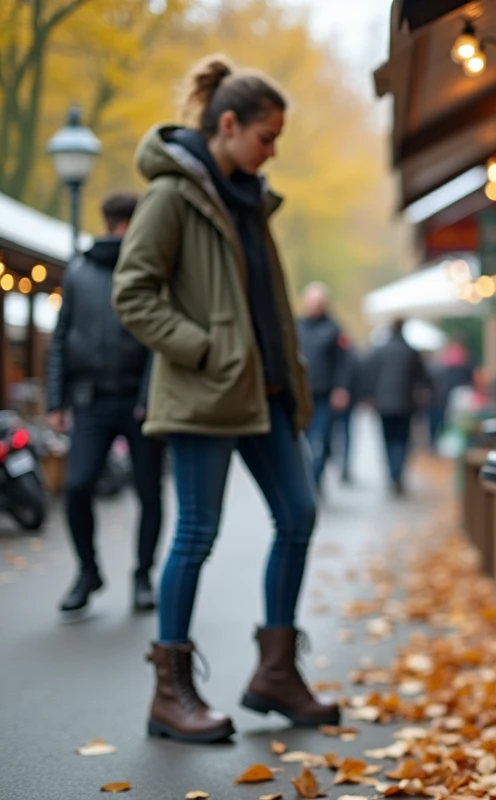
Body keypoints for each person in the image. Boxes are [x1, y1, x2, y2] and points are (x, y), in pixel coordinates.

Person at [113, 53, 337, 744]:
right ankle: (170, 692)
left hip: (265, 394)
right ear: (229, 124)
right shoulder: (171, 196)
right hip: (207, 394)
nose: (272, 151)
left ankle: (274, 673)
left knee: (298, 515)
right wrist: (207, 348)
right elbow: (133, 292)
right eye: (266, 137)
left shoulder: (251, 198)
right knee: (196, 534)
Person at [46, 190, 166, 617]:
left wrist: (152, 395)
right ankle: (88, 571)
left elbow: (160, 339)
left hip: (140, 402)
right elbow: (62, 338)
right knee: (77, 486)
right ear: (130, 224)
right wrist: (57, 399)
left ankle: (142, 576)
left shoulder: (152, 268)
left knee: (149, 491)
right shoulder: (79, 272)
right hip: (92, 401)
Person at [295, 283, 351, 487]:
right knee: (304, 442)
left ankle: (314, 480)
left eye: (318, 302)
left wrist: (341, 388)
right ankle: (307, 482)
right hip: (301, 394)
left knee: (322, 441)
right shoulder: (296, 326)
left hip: (325, 397)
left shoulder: (334, 329)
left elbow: (343, 362)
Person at [365, 319, 429, 494]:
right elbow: (423, 378)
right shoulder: (411, 351)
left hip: (383, 404)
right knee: (401, 440)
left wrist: (370, 396)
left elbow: (369, 374)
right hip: (405, 404)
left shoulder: (380, 350)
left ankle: (392, 475)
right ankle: (398, 474)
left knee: (387, 441)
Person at [427, 336, 474, 447]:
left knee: (450, 421)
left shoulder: (446, 358)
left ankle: (448, 445)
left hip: (449, 394)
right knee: (457, 422)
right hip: (459, 394)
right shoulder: (465, 357)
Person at [330, 342, 362, 484]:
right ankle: (342, 465)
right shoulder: (351, 355)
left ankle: (341, 464)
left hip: (337, 399)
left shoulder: (346, 358)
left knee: (336, 433)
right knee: (342, 434)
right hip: (343, 399)